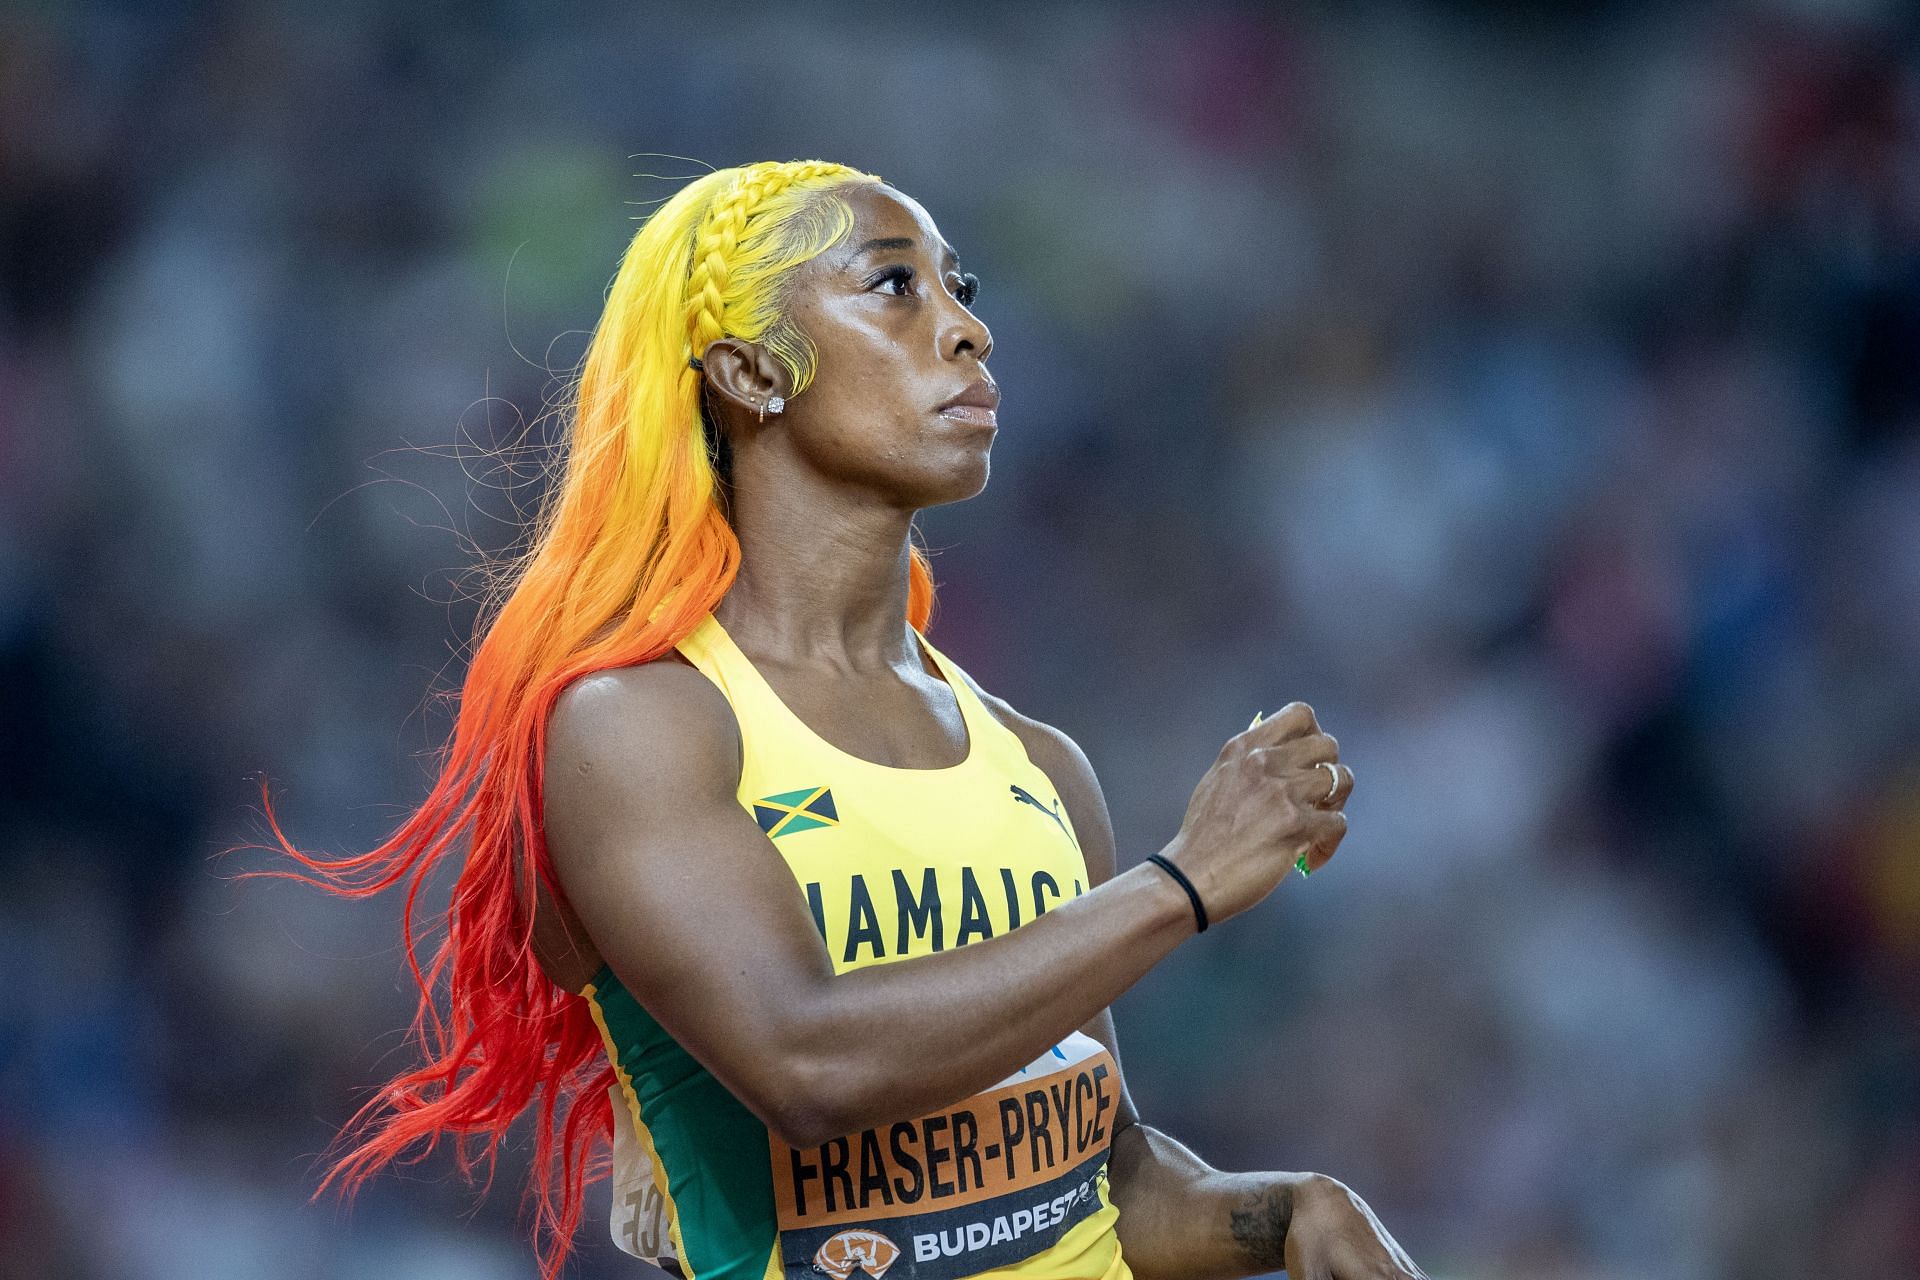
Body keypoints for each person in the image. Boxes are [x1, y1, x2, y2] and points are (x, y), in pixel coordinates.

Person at [261, 158, 1427, 1280]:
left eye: (960, 290)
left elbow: (1098, 1182)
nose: (967, 329)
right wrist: (1181, 883)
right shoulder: (639, 724)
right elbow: (805, 1062)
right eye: (893, 284)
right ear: (752, 372)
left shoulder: (1040, 763)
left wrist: (1285, 1212)